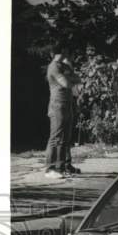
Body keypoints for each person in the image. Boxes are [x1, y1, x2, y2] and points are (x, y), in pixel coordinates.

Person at [44, 49, 81, 179]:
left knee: (65, 138)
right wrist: (70, 80)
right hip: (57, 105)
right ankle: (50, 168)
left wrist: (69, 78)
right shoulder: (53, 67)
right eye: (64, 51)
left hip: (67, 105)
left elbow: (77, 79)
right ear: (57, 53)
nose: (66, 54)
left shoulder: (64, 66)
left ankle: (61, 167)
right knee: (55, 137)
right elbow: (66, 83)